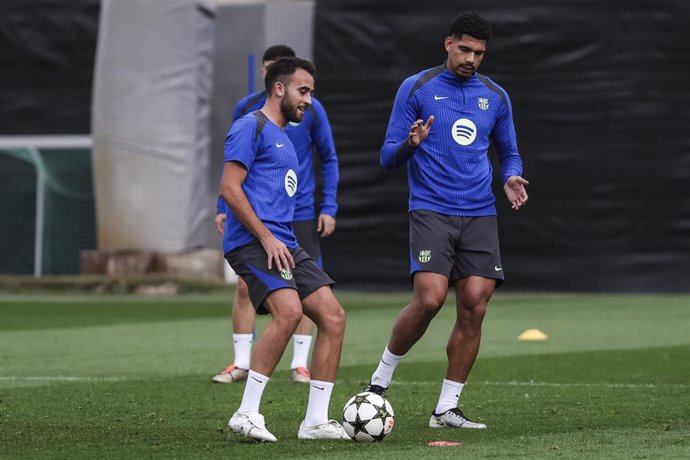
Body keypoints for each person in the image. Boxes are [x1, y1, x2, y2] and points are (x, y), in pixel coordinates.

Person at [364, 11, 529, 430]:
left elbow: (508, 150)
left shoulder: (495, 96)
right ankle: (378, 384)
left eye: (479, 52)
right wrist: (409, 143)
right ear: (448, 43)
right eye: (465, 49)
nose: (472, 58)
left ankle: (446, 410)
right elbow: (386, 156)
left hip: (479, 213)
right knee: (431, 299)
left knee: (474, 305)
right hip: (431, 209)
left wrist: (510, 175)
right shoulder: (417, 88)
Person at [221, 56, 348, 442]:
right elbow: (229, 187)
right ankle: (246, 412)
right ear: (279, 88)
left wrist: (283, 239)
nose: (309, 100)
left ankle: (314, 422)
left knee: (333, 316)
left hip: (285, 243)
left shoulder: (286, 140)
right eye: (303, 91)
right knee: (289, 312)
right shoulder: (250, 126)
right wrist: (265, 236)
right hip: (252, 242)